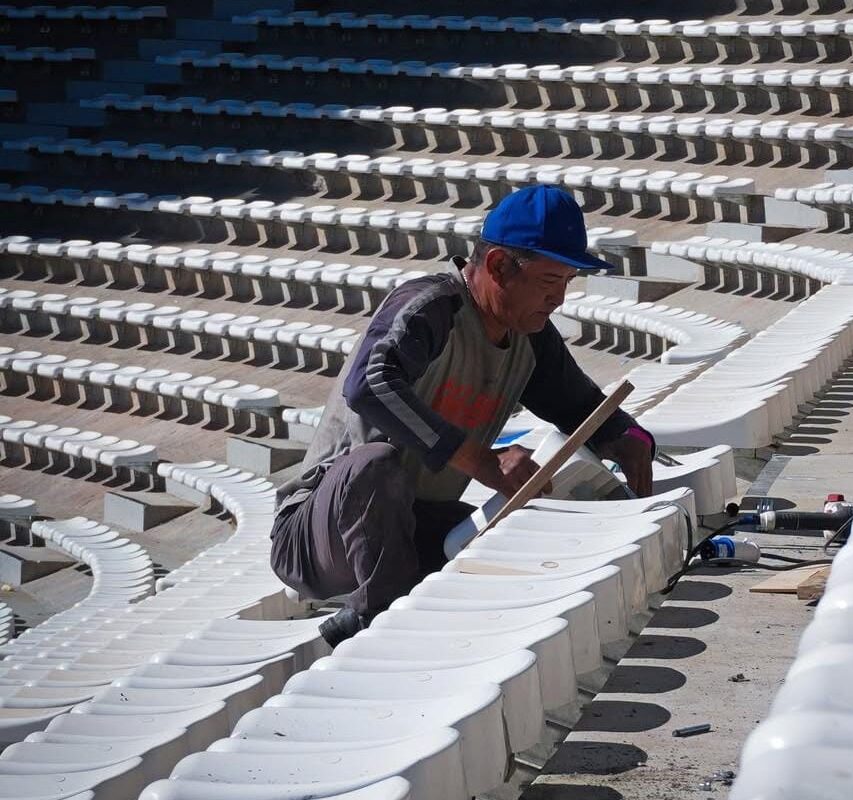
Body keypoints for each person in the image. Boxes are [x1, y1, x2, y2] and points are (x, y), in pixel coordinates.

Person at [271, 185, 655, 646]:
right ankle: (373, 625)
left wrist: (629, 437)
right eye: (550, 282)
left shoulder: (529, 335)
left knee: (503, 539)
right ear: (497, 266)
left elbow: (583, 409)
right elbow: (368, 385)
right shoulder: (431, 307)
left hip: (414, 526)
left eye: (568, 284)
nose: (559, 300)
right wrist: (485, 461)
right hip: (315, 538)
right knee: (374, 464)